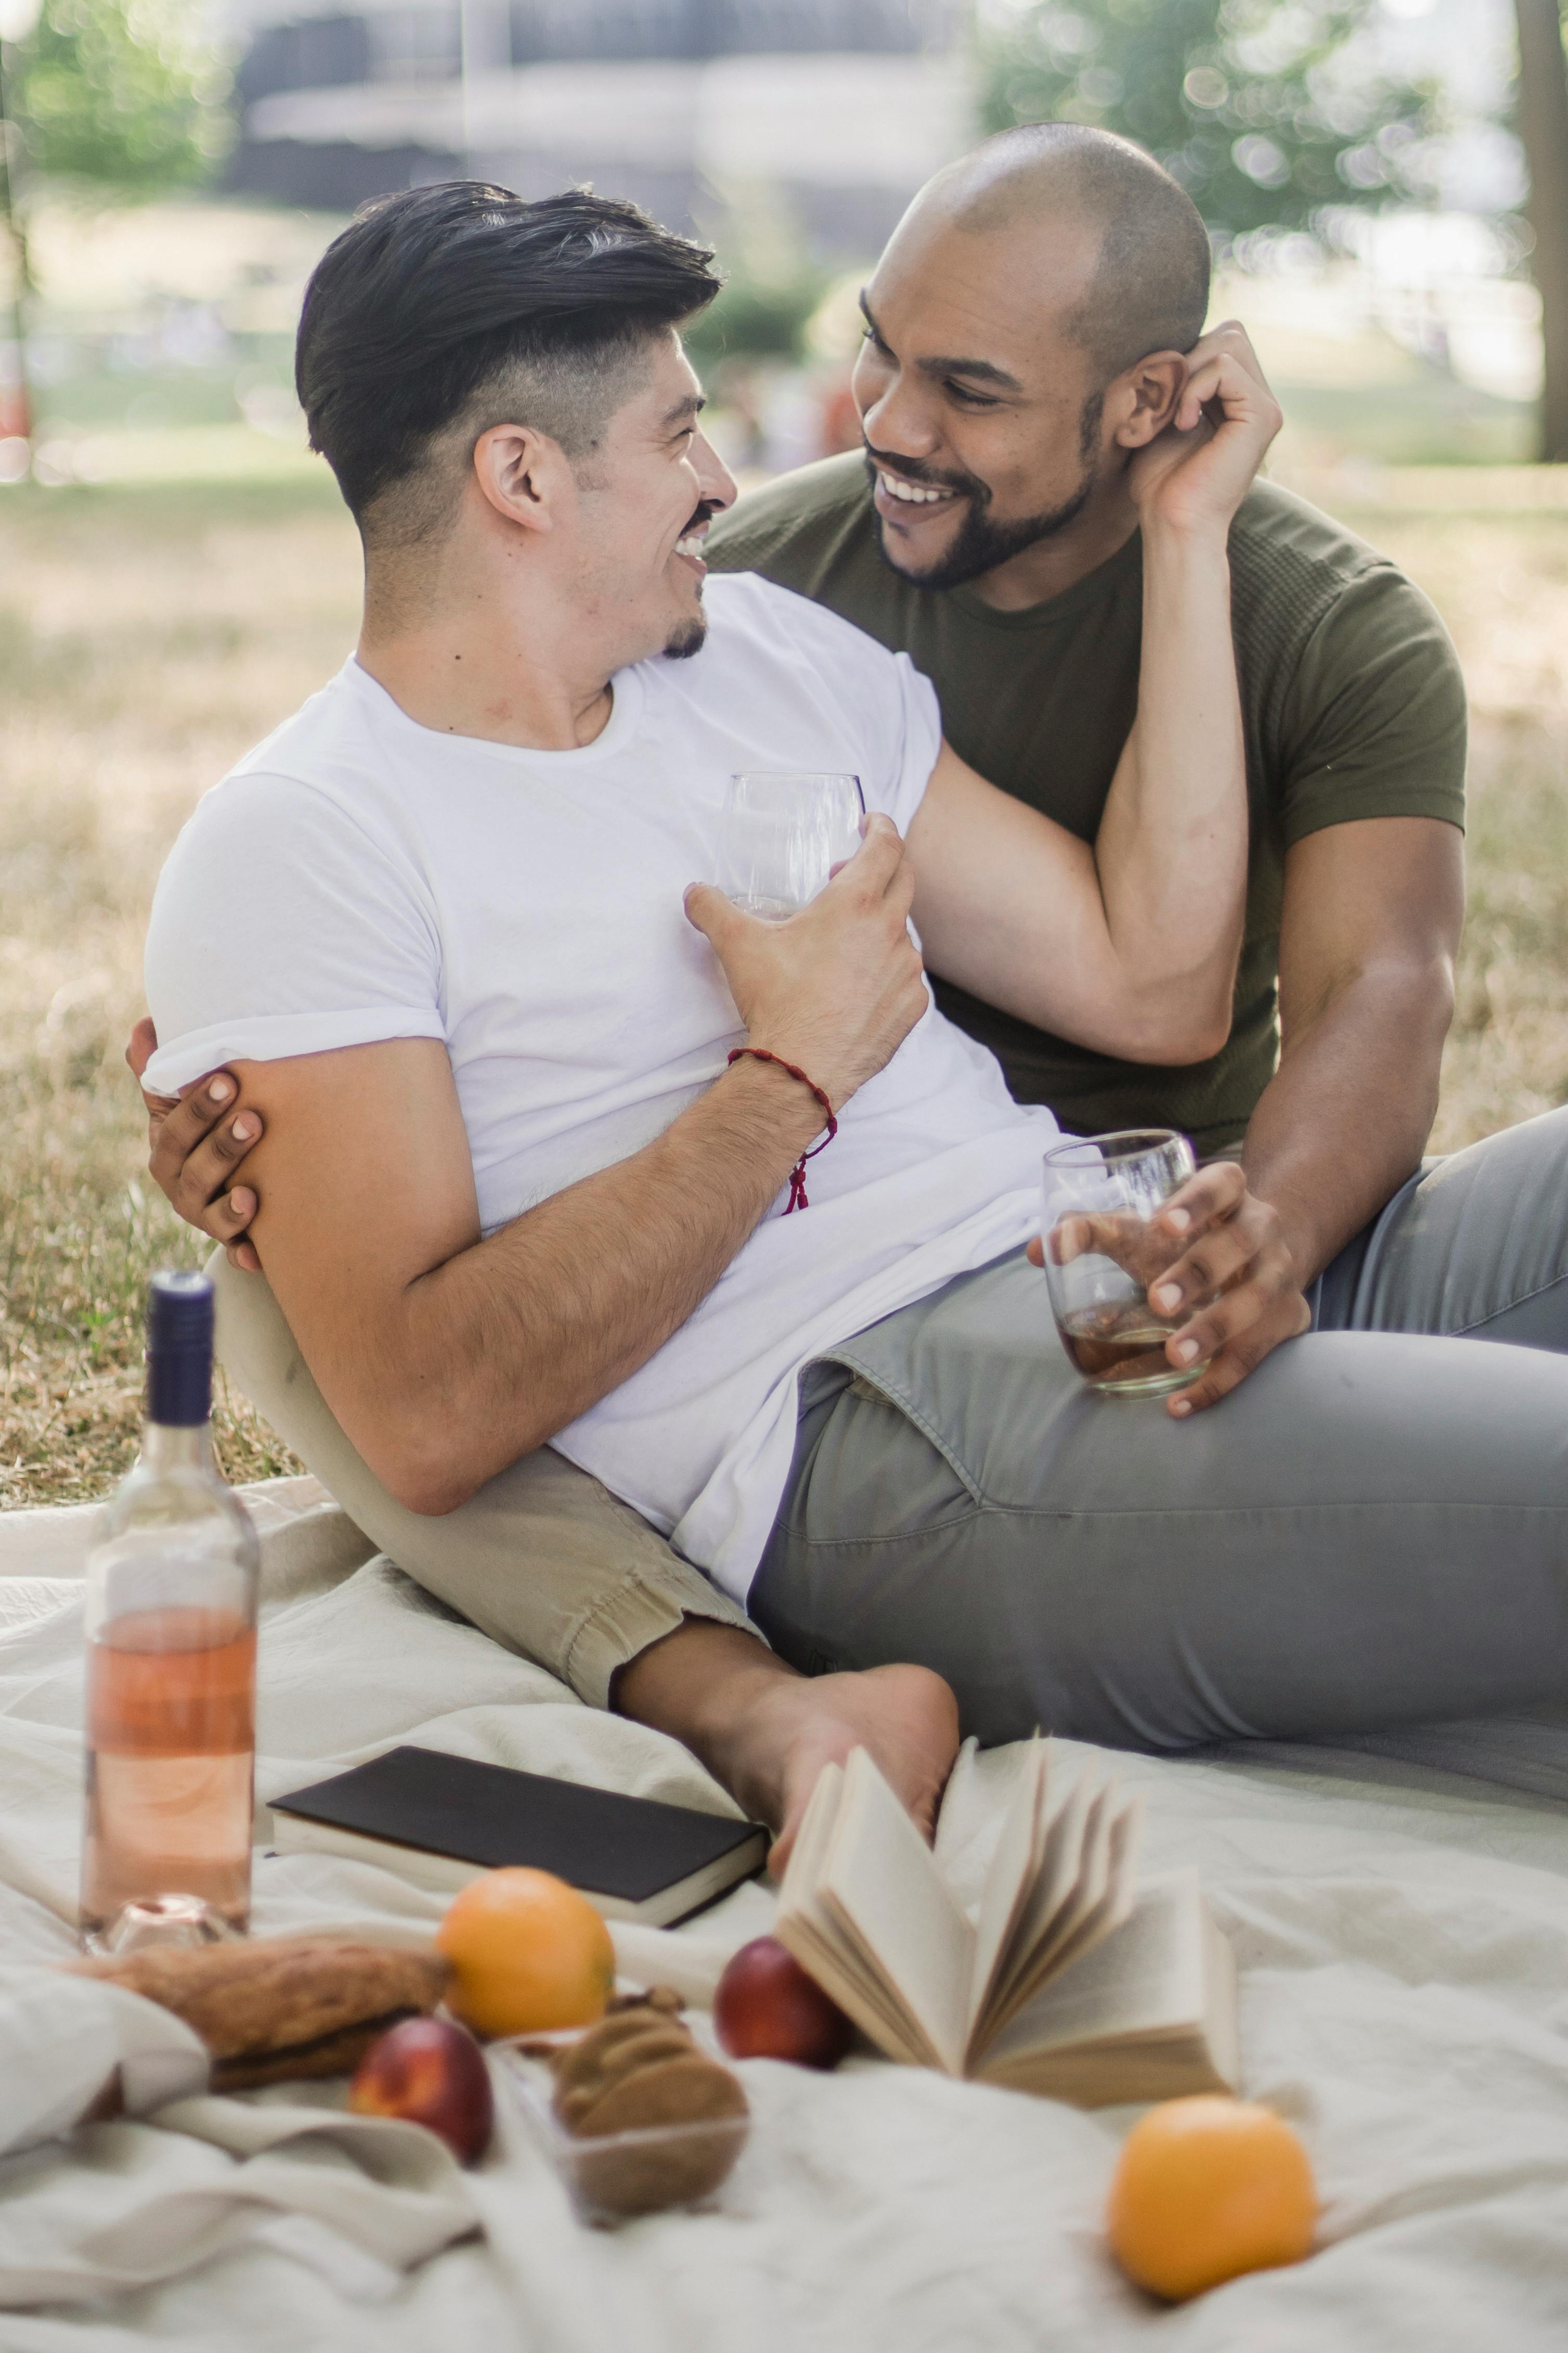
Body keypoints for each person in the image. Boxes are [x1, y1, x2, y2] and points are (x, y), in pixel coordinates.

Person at [134, 170, 1568, 1868]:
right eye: (677, 435)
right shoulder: (310, 838)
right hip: (891, 1432)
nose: (726, 479)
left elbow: (1141, 973)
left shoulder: (754, 652)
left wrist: (1185, 532)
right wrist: (784, 1078)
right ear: (519, 477)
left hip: (1111, 1265)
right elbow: (430, 1413)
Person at [702, 123, 1469, 1415]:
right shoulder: (755, 588)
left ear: (1144, 402)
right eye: (880, 345)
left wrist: (1256, 1241)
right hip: (871, 1273)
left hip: (1193, 1251)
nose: (889, 421)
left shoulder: (1336, 625)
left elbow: (1379, 992)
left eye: (970, 390)